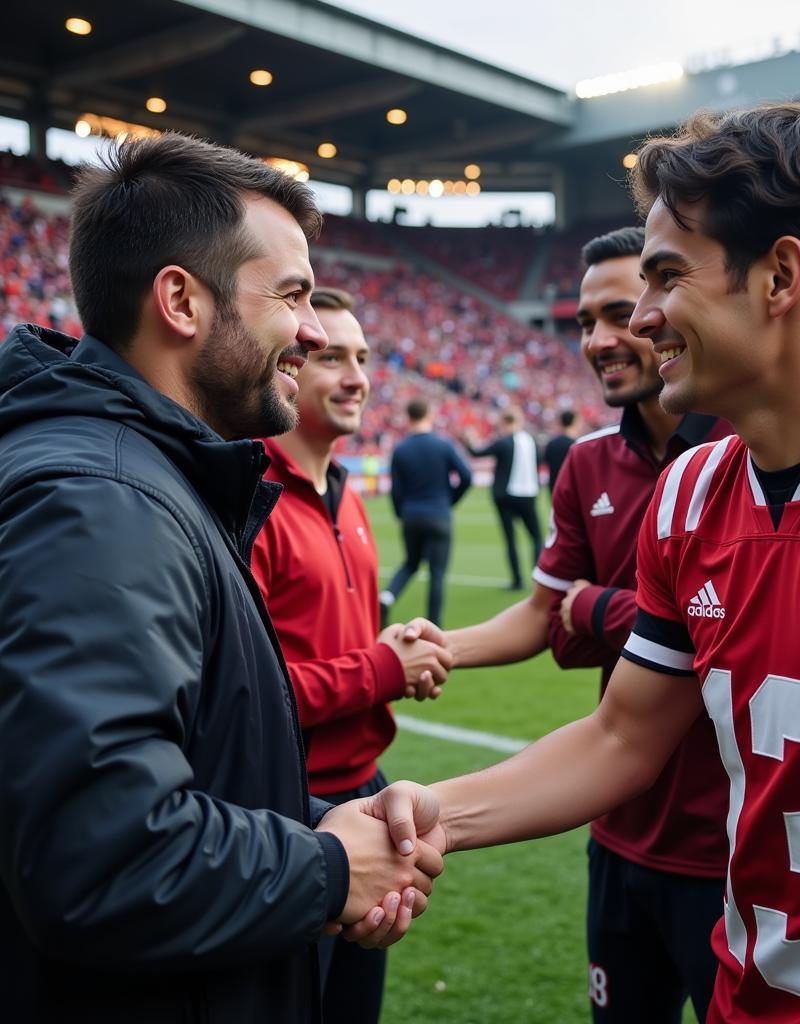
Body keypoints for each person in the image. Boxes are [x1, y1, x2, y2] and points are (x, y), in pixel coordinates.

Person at [355, 102, 800, 1021]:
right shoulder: (690, 493)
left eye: (668, 276)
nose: (641, 316)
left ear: (781, 275)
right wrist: (425, 814)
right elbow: (622, 738)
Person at [0, 133, 441, 1024]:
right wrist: (325, 868)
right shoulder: (103, 503)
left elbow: (177, 773)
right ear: (180, 301)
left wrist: (316, 824)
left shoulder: (138, 478)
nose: (314, 332)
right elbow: (98, 855)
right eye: (292, 296)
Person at [442, 227, 731, 1022]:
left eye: (621, 311)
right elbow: (548, 615)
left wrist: (601, 609)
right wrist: (439, 649)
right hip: (619, 823)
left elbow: (729, 624)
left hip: (736, 850)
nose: (605, 338)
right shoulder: (588, 462)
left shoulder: (755, 452)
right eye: (583, 321)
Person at [250, 287, 453, 1023]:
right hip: (282, 806)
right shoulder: (249, 499)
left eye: (363, 358)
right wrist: (381, 670)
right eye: (331, 357)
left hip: (367, 795)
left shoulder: (348, 494)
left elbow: (339, 648)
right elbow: (243, 692)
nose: (357, 377)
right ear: (288, 366)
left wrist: (391, 652)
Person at [380, 397, 473, 627]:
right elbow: (467, 477)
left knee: (411, 563)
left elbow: (395, 490)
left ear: (408, 417)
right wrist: (449, 500)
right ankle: (434, 624)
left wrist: (402, 514)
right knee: (437, 572)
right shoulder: (444, 444)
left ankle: (387, 597)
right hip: (439, 514)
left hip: (411, 515)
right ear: (429, 415)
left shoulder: (400, 449)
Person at [465, 406, 542, 590]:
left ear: (504, 422)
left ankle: (517, 580)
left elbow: (477, 452)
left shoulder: (504, 442)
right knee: (537, 537)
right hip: (529, 494)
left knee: (510, 539)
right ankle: (539, 578)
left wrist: (469, 439)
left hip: (505, 495)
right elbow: (538, 462)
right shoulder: (531, 440)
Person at [543, 407, 579, 493]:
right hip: (570, 487)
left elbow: (546, 463)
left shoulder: (552, 443)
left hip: (554, 486)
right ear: (574, 422)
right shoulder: (577, 445)